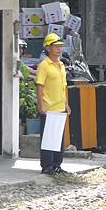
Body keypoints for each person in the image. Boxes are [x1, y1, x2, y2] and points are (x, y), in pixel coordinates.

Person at [36, 33, 70, 175]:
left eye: (60, 46)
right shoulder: (44, 65)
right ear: (48, 48)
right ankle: (47, 166)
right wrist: (40, 105)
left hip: (60, 107)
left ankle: (57, 164)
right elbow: (40, 86)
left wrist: (66, 104)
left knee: (58, 138)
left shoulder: (61, 65)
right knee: (48, 138)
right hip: (49, 107)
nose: (59, 49)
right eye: (56, 46)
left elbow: (64, 86)